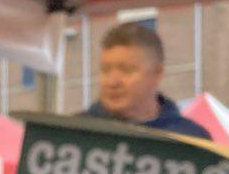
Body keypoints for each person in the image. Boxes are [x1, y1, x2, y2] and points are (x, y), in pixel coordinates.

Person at [81, 22, 209, 140]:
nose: (112, 82)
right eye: (105, 70)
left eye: (126, 70)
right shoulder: (76, 135)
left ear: (157, 74)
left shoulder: (192, 140)